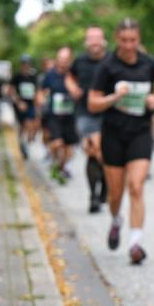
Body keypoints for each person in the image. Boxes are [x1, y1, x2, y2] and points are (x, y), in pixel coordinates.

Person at [89, 19, 154, 264]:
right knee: (116, 194)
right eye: (124, 41)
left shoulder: (150, 64)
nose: (129, 46)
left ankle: (135, 243)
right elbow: (93, 103)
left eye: (133, 40)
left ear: (139, 39)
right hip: (114, 134)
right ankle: (116, 219)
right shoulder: (107, 67)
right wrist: (113, 97)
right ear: (117, 39)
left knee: (137, 186)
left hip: (140, 132)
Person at [69, 27, 109, 212]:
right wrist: (72, 88)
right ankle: (93, 194)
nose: (94, 42)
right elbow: (69, 77)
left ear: (103, 41)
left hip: (107, 113)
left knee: (101, 153)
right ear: (86, 42)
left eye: (97, 38)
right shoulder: (80, 61)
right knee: (92, 150)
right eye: (90, 38)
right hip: (85, 113)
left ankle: (104, 184)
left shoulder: (111, 60)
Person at [38, 48, 78, 184]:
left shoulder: (74, 75)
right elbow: (41, 92)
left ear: (70, 61)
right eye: (60, 59)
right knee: (57, 143)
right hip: (54, 115)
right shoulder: (50, 75)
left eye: (66, 60)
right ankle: (54, 159)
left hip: (70, 116)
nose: (63, 62)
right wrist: (41, 100)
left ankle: (59, 167)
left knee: (69, 151)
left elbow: (80, 92)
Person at [9, 55, 41, 160]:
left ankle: (26, 145)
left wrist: (37, 106)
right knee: (23, 126)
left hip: (31, 105)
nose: (26, 66)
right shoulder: (17, 77)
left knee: (30, 125)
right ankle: (22, 143)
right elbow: (11, 91)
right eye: (24, 63)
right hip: (20, 106)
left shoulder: (33, 77)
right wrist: (19, 102)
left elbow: (37, 92)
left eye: (28, 63)